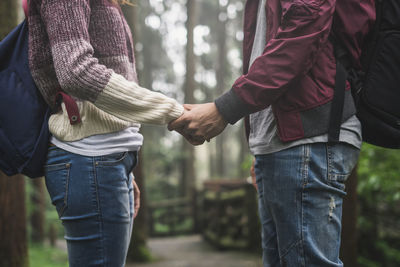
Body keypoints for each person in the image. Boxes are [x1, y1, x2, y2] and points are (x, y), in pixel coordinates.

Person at [169, 0, 375, 266]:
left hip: (309, 139)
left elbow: (301, 36)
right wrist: (261, 144)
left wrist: (224, 110)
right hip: (281, 145)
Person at [27, 0, 184, 266]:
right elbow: (76, 71)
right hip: (89, 158)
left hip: (103, 161)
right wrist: (172, 112)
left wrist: (123, 164)